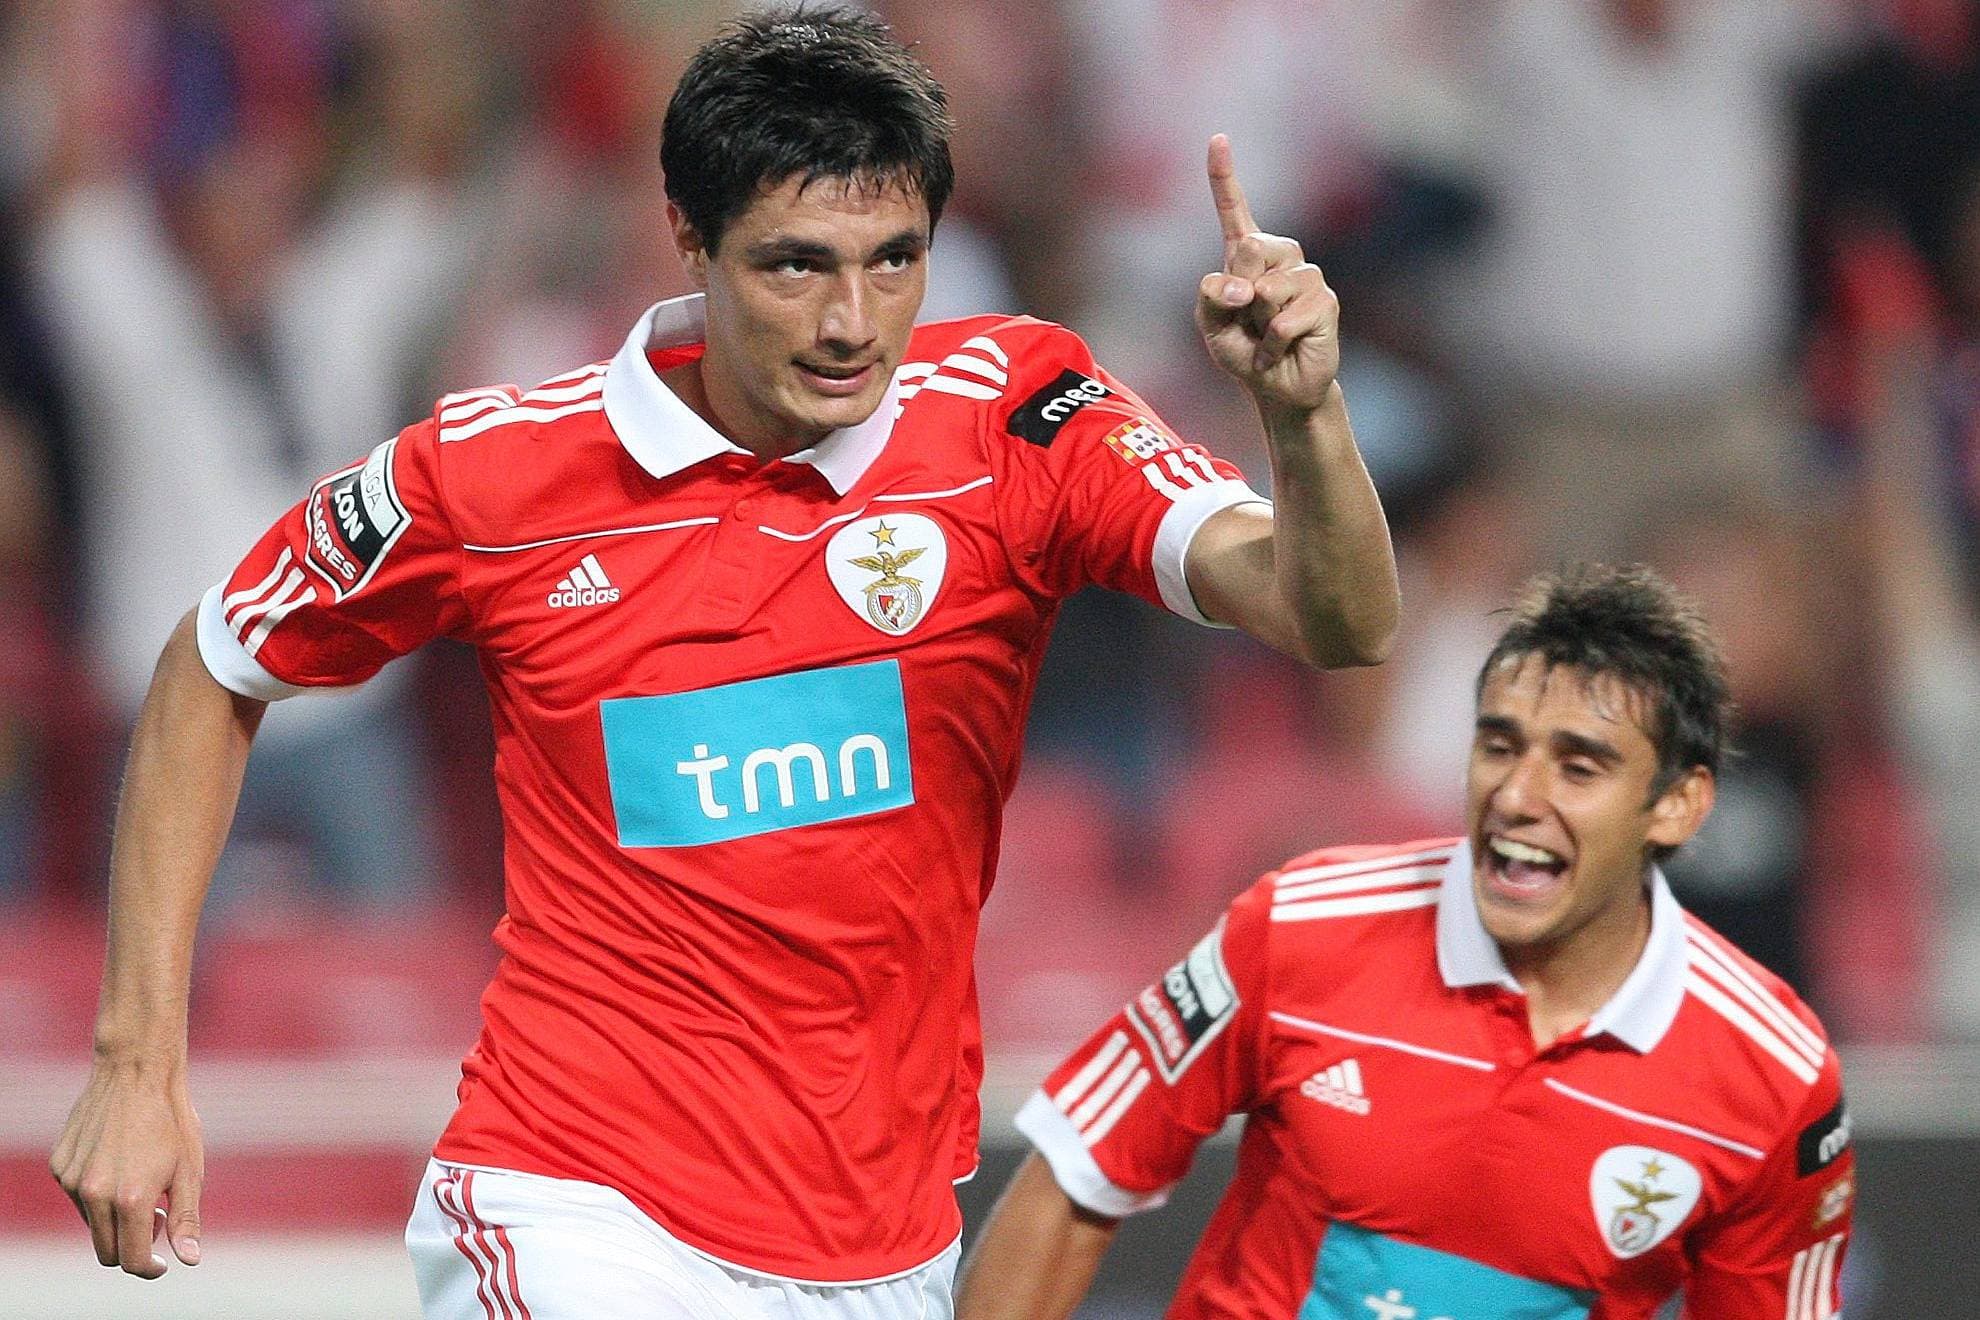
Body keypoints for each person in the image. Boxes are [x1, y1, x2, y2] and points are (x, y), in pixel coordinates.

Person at [49, 7, 1399, 1317]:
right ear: (688, 240)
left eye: (895, 258)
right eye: (796, 263)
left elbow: (1334, 620)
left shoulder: (1017, 415)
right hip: (574, 1209)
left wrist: (1306, 418)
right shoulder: (498, 471)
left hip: (889, 1244)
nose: (851, 321)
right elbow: (213, 663)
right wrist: (137, 1060)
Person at [959, 565, 1854, 1320]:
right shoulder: (1301, 925)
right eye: (1500, 746)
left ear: (1678, 804)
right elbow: (1076, 1178)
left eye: (1578, 767)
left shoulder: (1775, 1079)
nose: (1516, 794)